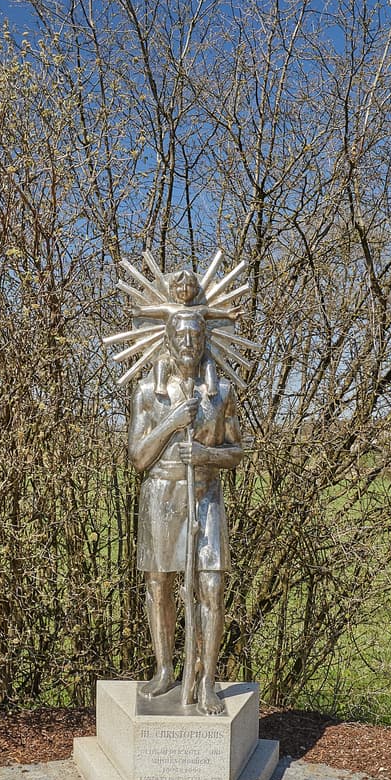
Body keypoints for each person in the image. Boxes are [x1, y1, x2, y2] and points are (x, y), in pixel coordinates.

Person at [127, 285, 245, 714]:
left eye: (196, 335)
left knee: (210, 586)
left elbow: (236, 451)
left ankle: (208, 680)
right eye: (180, 335)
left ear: (206, 339)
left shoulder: (221, 393)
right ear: (167, 338)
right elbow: (138, 457)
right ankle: (164, 671)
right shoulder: (147, 392)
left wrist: (207, 455)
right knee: (159, 584)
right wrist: (171, 422)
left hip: (205, 495)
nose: (188, 343)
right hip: (161, 494)